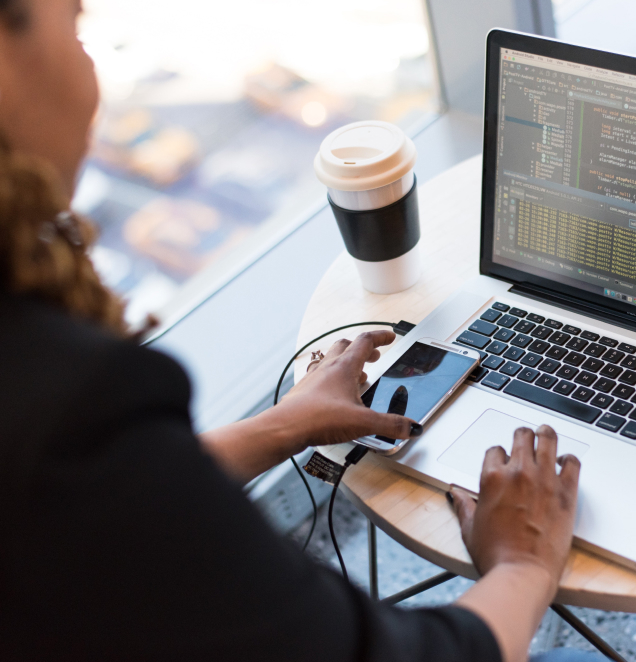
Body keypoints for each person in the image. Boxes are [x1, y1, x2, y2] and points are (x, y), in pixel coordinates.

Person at [0, 1, 605, 660]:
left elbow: (102, 506)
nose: (84, 34)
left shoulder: (55, 414)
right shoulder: (69, 401)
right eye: (73, 19)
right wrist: (523, 565)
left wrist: (283, 424)